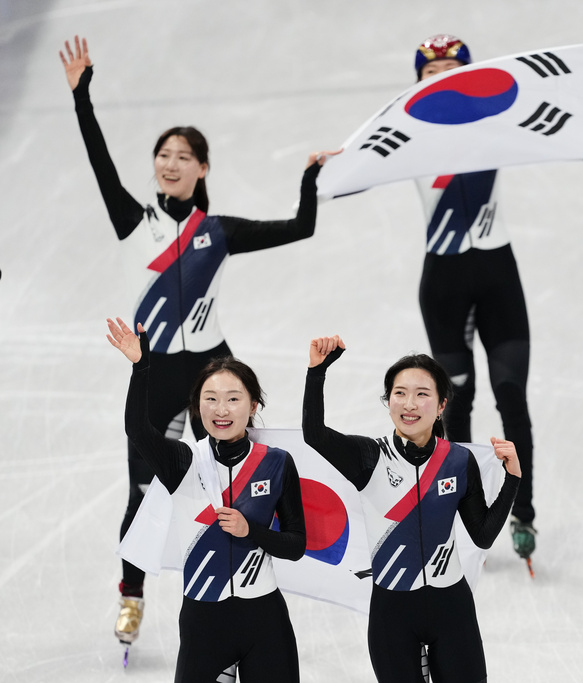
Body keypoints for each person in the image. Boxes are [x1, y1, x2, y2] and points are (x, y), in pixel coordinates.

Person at [59, 35, 337, 642]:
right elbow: (99, 162)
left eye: (184, 155)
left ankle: (240, 585)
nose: (171, 162)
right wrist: (82, 96)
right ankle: (132, 593)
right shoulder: (136, 224)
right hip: (155, 372)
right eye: (164, 153)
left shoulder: (219, 230)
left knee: (235, 482)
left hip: (212, 369)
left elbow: (301, 228)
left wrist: (310, 177)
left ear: (202, 168)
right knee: (144, 485)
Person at [302, 334, 520, 683]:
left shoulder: (459, 461)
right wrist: (317, 373)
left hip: (453, 610)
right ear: (388, 401)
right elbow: (314, 435)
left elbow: (482, 535)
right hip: (393, 616)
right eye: (399, 394)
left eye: (422, 394)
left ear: (441, 404)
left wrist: (512, 480)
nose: (409, 404)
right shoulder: (368, 457)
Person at [106, 317, 305, 682]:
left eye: (233, 399)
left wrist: (252, 531)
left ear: (253, 405)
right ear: (197, 407)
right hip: (203, 624)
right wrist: (141, 368)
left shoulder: (277, 463)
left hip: (265, 621)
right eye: (210, 400)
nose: (221, 409)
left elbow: (295, 546)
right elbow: (138, 430)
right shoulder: (183, 462)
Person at [411, 34, 538, 563]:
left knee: (511, 398)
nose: (441, 73)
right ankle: (469, 511)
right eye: (430, 68)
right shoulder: (406, 131)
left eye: (452, 67)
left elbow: (545, 122)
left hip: (497, 275)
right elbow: (356, 167)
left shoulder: (493, 123)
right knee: (455, 403)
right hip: (443, 283)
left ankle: (523, 512)